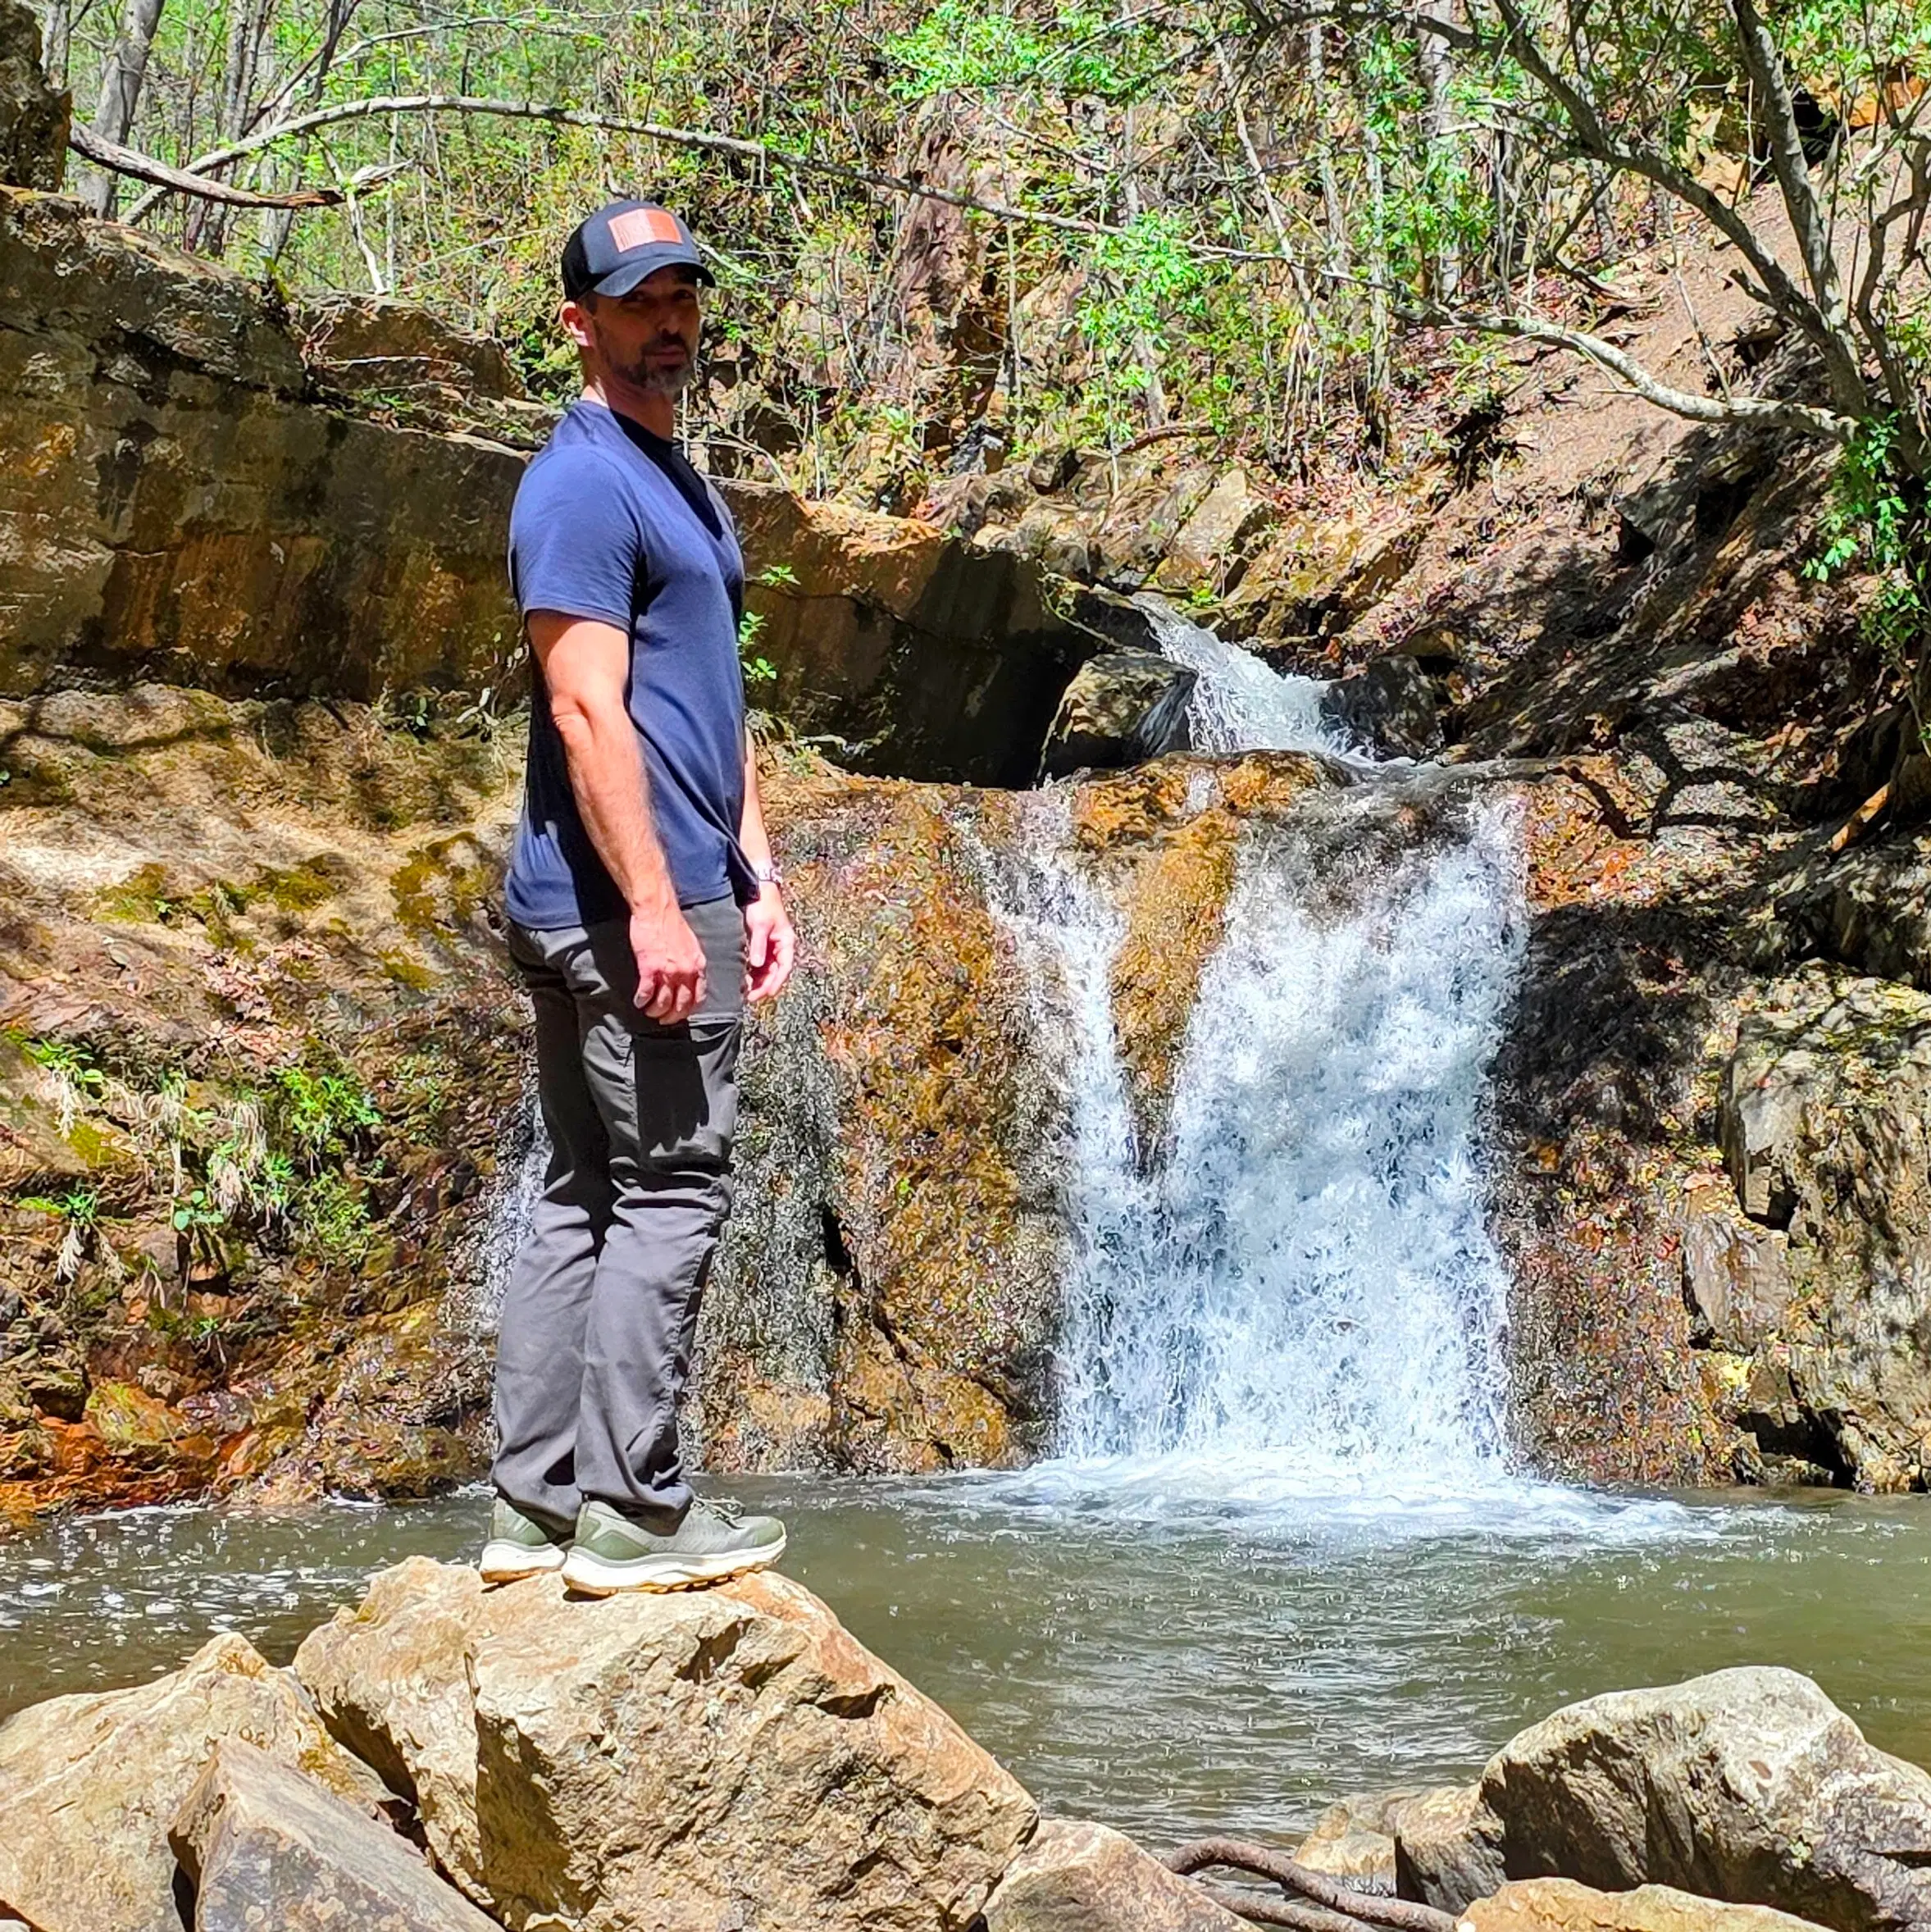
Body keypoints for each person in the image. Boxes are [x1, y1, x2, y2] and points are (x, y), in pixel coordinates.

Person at [479, 198, 797, 1595]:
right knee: (671, 1186)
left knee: (581, 1191)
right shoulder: (579, 484)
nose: (668, 321)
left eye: (681, 296)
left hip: (664, 879)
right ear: (581, 325)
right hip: (621, 899)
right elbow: (587, 709)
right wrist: (664, 907)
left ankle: (534, 1510)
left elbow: (710, 698)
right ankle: (632, 1513)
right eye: (637, 301)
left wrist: (758, 866)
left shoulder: (678, 478)